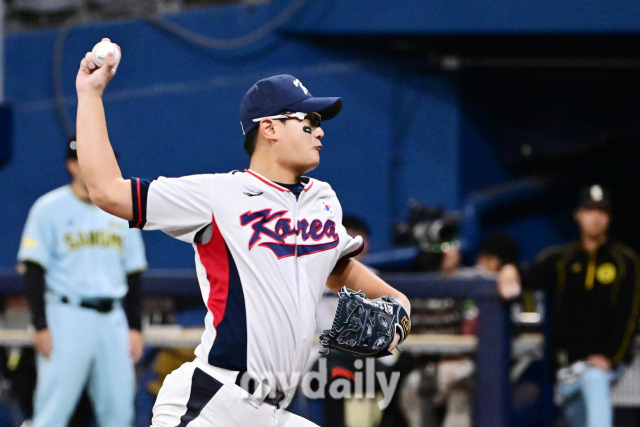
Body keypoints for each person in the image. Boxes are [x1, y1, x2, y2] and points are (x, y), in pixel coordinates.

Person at [74, 38, 411, 427]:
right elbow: (107, 191)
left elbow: (337, 266)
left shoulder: (323, 198)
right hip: (213, 400)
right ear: (269, 127)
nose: (319, 132)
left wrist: (396, 300)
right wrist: (90, 95)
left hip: (274, 410)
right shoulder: (219, 195)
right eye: (308, 121)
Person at [16, 138, 148, 427]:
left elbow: (134, 272)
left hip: (112, 319)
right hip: (67, 316)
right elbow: (34, 269)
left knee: (119, 411)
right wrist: (40, 325)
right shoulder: (48, 208)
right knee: (52, 411)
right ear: (72, 165)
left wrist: (135, 327)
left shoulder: (119, 208)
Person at [499, 184, 640, 427]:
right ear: (578, 215)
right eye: (589, 210)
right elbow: (528, 275)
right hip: (566, 366)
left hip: (607, 366)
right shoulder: (560, 258)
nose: (595, 217)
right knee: (579, 417)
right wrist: (511, 269)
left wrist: (610, 357)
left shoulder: (625, 260)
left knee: (594, 380)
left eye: (602, 211)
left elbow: (629, 314)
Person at [399, 232, 521, 427]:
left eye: (486, 258)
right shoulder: (430, 280)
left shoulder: (481, 280)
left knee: (460, 393)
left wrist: (453, 267)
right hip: (431, 364)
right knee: (411, 389)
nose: (480, 262)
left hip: (467, 364)